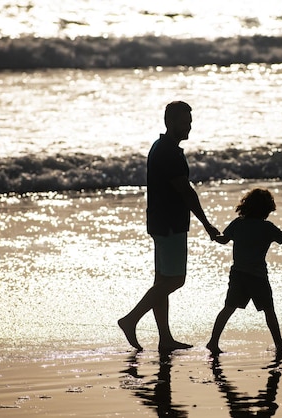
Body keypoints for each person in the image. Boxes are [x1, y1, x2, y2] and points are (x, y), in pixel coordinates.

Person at [118, 100, 219, 353]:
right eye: (184, 123)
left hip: (159, 220)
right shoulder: (169, 153)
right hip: (170, 223)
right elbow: (186, 192)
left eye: (190, 122)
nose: (189, 128)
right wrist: (207, 224)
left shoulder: (160, 147)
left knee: (162, 280)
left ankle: (165, 338)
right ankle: (131, 319)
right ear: (169, 122)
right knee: (176, 279)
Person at [206, 188, 282, 355]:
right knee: (269, 310)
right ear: (266, 209)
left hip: (238, 275)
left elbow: (223, 240)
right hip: (258, 277)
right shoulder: (267, 227)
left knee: (228, 308)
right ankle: (278, 342)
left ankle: (213, 342)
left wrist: (212, 233)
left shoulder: (238, 223)